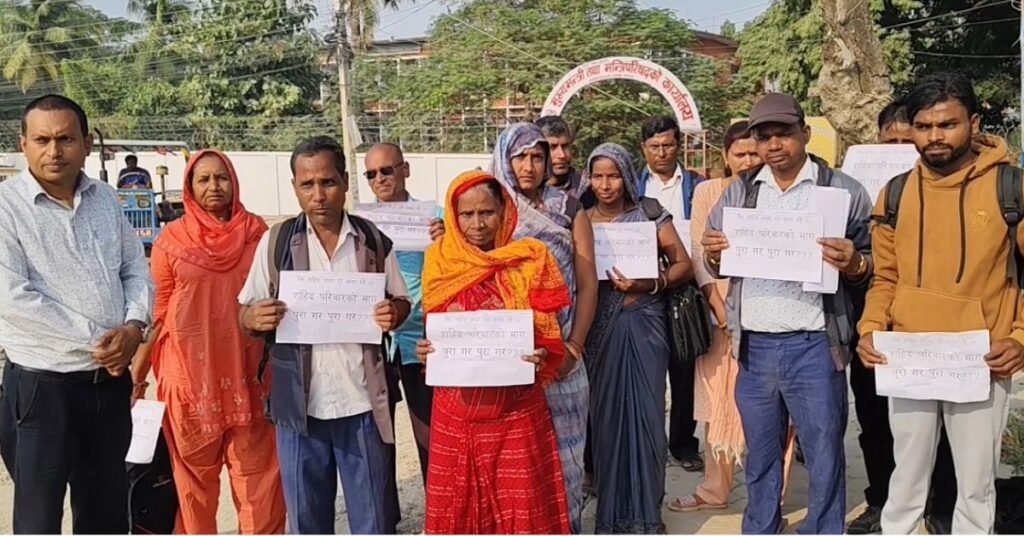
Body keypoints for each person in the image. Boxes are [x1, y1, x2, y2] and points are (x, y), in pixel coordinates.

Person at [857, 73, 1024, 535]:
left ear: (972, 122)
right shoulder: (895, 193)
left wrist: (1019, 338)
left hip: (982, 359)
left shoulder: (1011, 189)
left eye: (947, 125)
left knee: (975, 487)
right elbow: (885, 276)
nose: (934, 136)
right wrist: (869, 328)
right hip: (910, 356)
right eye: (924, 126)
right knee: (905, 479)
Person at [702, 93, 873, 534]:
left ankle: (822, 528)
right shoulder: (740, 192)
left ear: (805, 134)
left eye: (783, 133)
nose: (774, 144)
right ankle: (760, 527)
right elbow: (716, 261)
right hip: (755, 347)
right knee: (760, 453)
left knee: (824, 452)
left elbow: (872, 266)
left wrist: (854, 262)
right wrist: (716, 255)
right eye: (763, 136)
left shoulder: (843, 192)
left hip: (814, 343)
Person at [237, 136, 411, 534]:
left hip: (363, 406)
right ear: (295, 187)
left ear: (346, 182)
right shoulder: (276, 242)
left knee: (374, 520)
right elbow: (244, 314)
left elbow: (401, 301)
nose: (319, 195)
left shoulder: (372, 240)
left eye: (328, 182)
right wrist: (255, 317)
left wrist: (392, 313)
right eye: (307, 185)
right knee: (307, 520)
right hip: (300, 410)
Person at [0, 94, 153, 533]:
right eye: (43, 139)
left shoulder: (105, 198)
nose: (54, 151)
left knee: (105, 510)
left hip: (106, 386)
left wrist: (134, 326)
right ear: (23, 143)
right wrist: (105, 339)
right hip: (40, 389)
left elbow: (134, 269)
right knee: (38, 517)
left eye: (66, 139)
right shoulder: (6, 207)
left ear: (86, 143)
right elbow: (14, 298)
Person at [129, 150, 285, 534]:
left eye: (221, 178)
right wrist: (137, 374)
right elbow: (159, 312)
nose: (214, 187)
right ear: (190, 188)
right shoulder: (171, 241)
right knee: (193, 487)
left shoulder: (258, 235)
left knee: (259, 483)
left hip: (249, 378)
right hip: (188, 383)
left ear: (234, 182)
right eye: (203, 180)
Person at [416, 169, 572, 534]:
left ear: (504, 211)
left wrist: (540, 353)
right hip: (457, 413)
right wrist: (427, 352)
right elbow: (434, 331)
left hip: (516, 411)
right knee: (459, 505)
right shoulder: (439, 261)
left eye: (486, 212)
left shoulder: (529, 260)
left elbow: (549, 338)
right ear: (452, 217)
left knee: (523, 504)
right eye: (466, 215)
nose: (477, 224)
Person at [669, 121, 799, 513]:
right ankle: (715, 489)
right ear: (724, 156)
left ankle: (772, 497)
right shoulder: (709, 192)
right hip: (720, 319)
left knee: (779, 409)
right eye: (739, 153)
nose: (747, 160)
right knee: (716, 403)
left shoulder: (780, 193)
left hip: (769, 316)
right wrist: (719, 308)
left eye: (753, 152)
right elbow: (699, 253)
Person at [844, 101, 957, 535]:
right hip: (873, 319)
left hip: (930, 323)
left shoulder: (946, 192)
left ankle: (941, 507)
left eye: (904, 142)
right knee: (873, 419)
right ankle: (881, 500)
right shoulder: (861, 190)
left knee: (942, 423)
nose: (897, 149)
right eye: (887, 142)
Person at [580, 143, 693, 533]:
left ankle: (647, 514)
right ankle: (611, 518)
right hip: (600, 329)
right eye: (597, 176)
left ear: (626, 175)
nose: (605, 184)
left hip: (644, 322)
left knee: (645, 419)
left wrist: (652, 282)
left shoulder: (648, 213)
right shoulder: (579, 218)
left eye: (613, 175)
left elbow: (684, 264)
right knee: (606, 421)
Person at [492, 122, 598, 533]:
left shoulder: (569, 208)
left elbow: (587, 283)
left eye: (538, 155)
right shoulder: (492, 213)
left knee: (567, 462)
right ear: (505, 159)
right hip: (510, 365)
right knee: (521, 468)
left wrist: (573, 347)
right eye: (520, 156)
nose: (531, 165)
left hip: (563, 363)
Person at [363, 142, 438, 482]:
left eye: (387, 170)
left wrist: (447, 241)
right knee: (378, 437)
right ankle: (385, 518)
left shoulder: (434, 219)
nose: (379, 179)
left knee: (428, 434)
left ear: (405, 169)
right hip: (372, 341)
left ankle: (437, 516)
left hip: (420, 341)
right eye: (371, 174)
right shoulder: (359, 224)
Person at [639, 114, 704, 471]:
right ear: (643, 149)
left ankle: (682, 443)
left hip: (683, 287)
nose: (661, 152)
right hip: (640, 288)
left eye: (667, 145)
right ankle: (648, 441)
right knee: (647, 372)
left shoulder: (696, 184)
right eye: (653, 147)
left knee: (684, 370)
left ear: (678, 145)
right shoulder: (632, 185)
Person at [536, 115, 586, 201]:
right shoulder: (526, 189)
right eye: (552, 147)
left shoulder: (586, 188)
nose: (562, 155)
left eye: (565, 146)